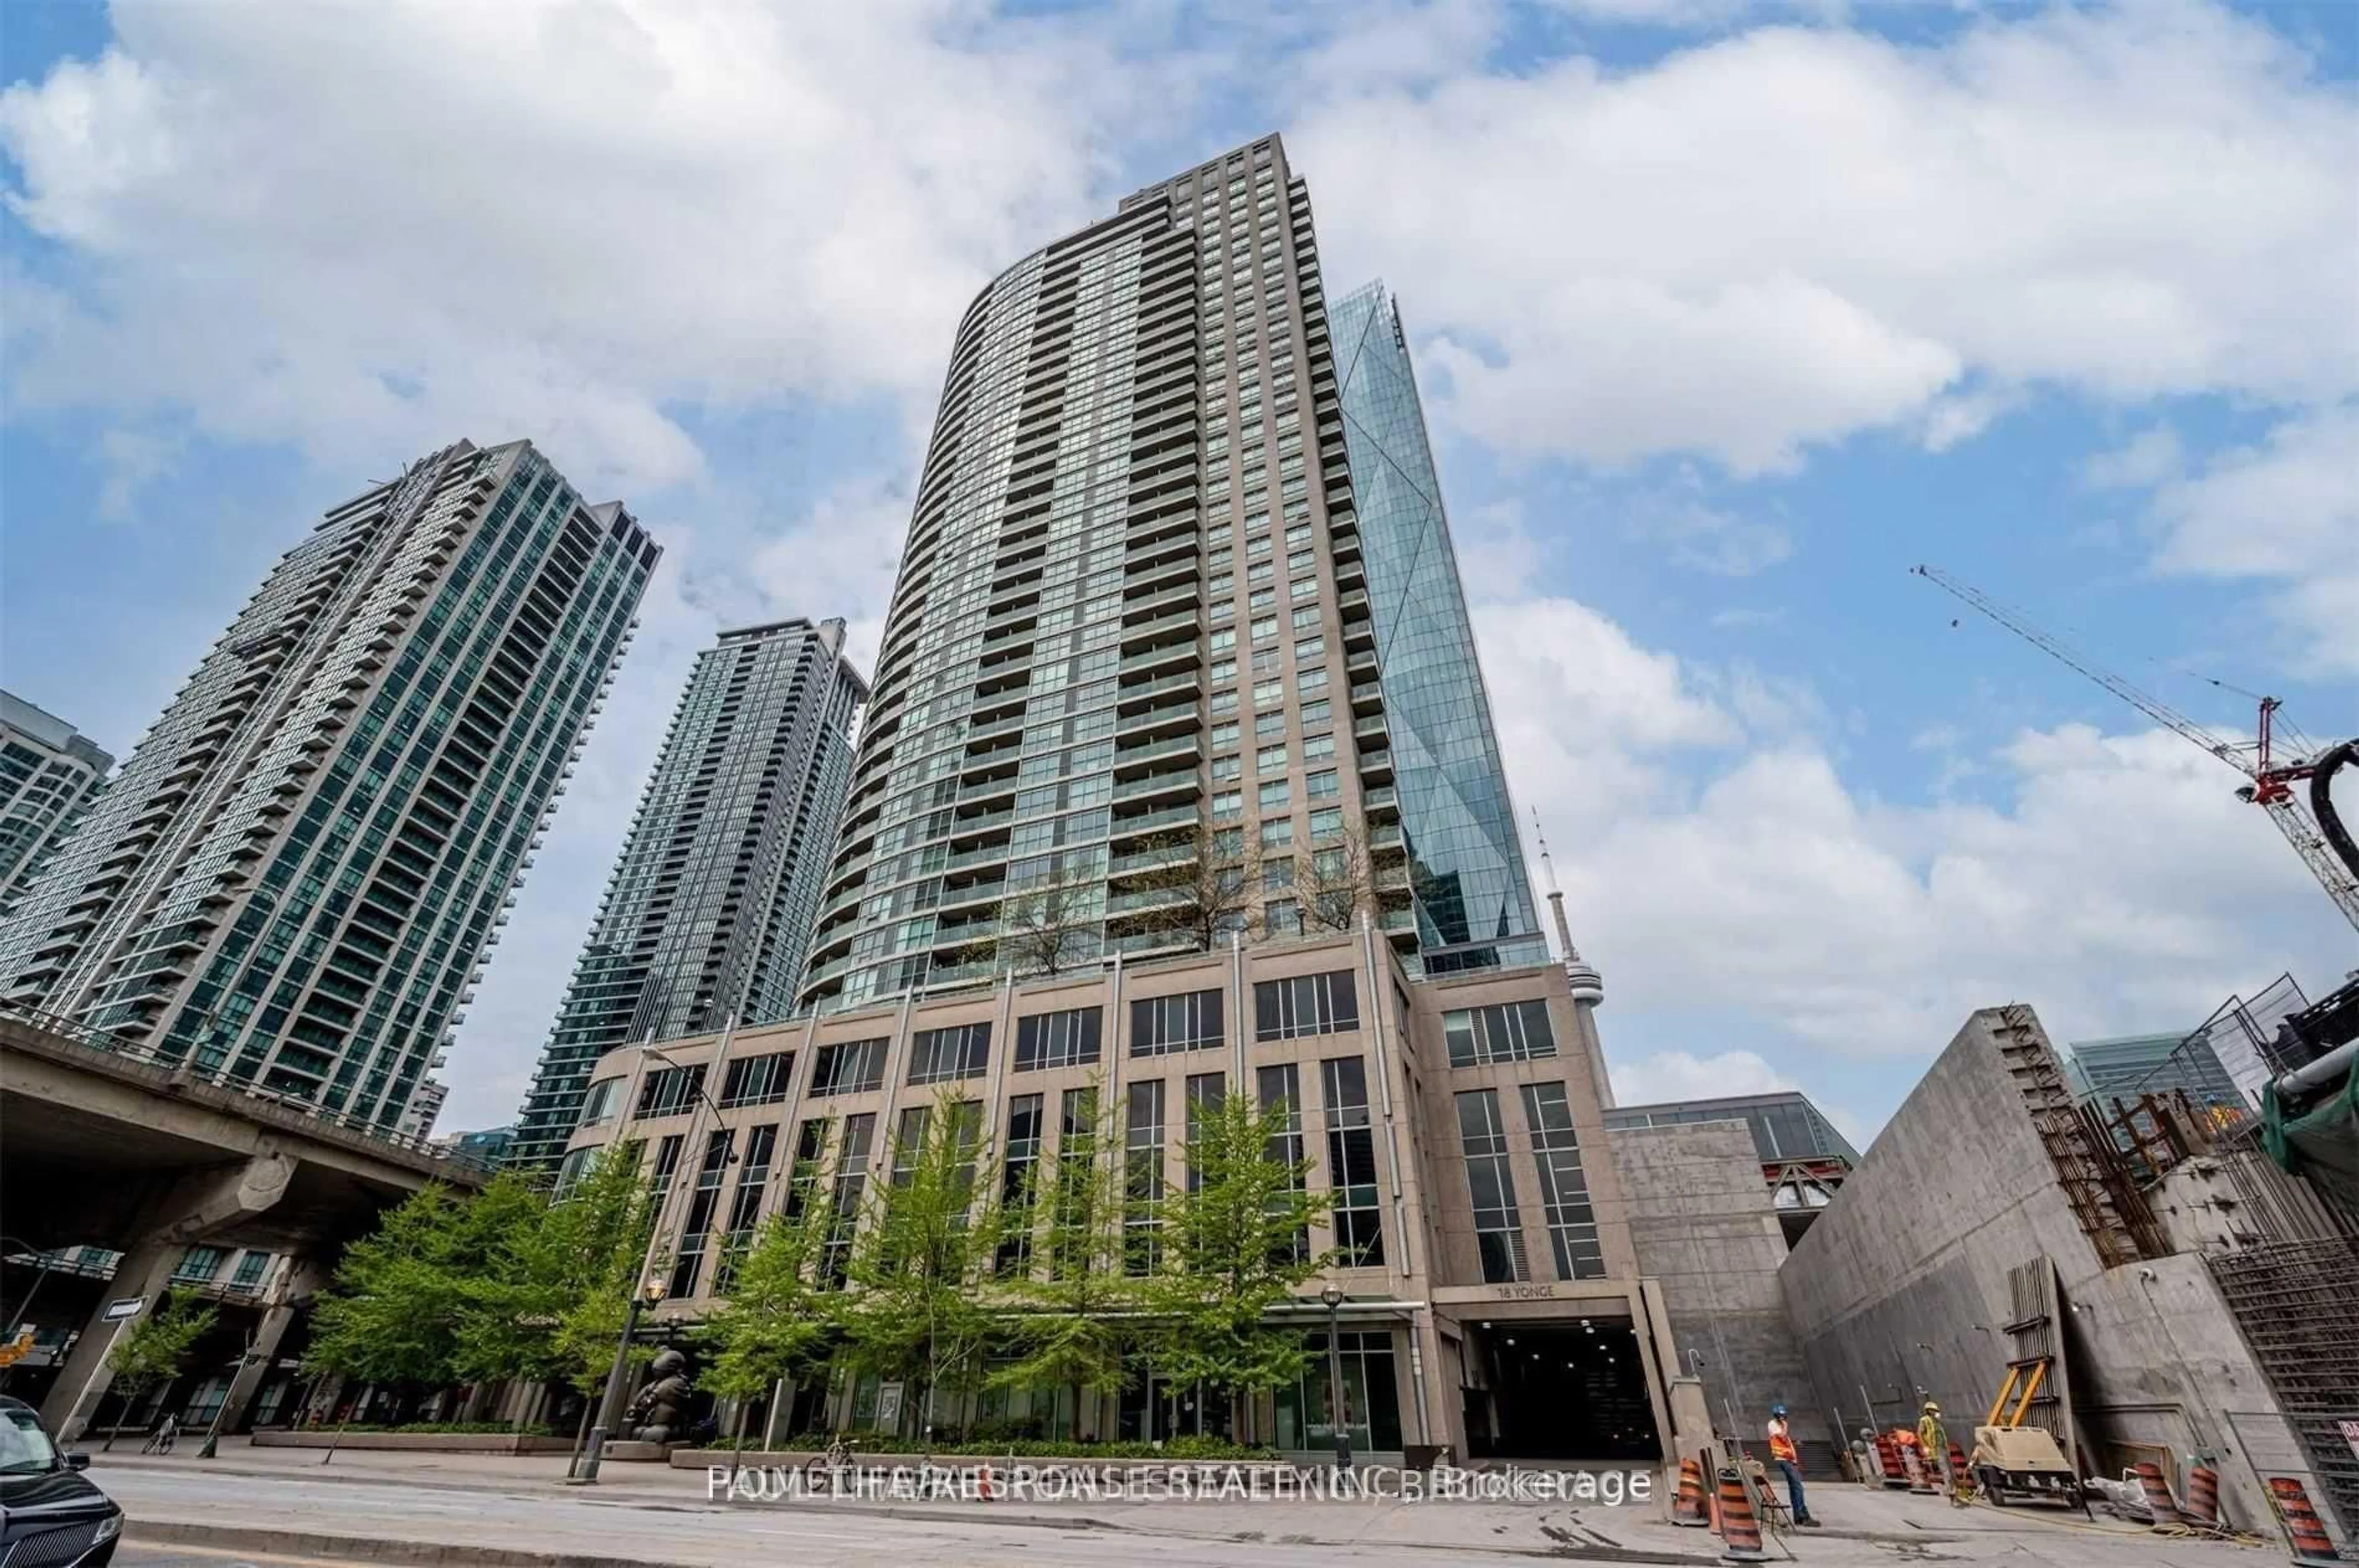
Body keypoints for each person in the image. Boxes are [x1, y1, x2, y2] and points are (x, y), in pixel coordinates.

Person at [1766, 1403, 1819, 1526]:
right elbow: (1783, 1438)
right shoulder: (1773, 1425)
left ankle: (1799, 1517)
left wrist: (1795, 1458)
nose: (1783, 1419)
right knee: (1797, 1487)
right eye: (1781, 1416)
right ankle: (1802, 1515)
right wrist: (1785, 1426)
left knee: (1795, 1488)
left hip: (1789, 1460)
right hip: (1783, 1460)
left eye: (1784, 1417)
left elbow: (1785, 1442)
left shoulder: (1780, 1426)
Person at [1917, 1401, 1949, 1486]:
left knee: (1948, 1469)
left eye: (1935, 1410)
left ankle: (1953, 1490)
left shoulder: (1937, 1421)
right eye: (1932, 1410)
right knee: (1945, 1471)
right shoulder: (1924, 1420)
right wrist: (1925, 1447)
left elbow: (1941, 1434)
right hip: (1934, 1448)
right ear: (1928, 1411)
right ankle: (1951, 1491)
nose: (1934, 1412)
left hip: (1942, 1447)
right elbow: (1920, 1433)